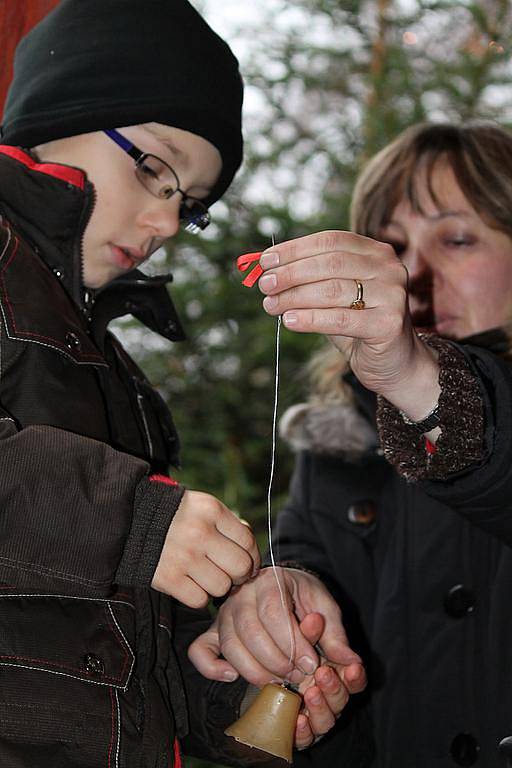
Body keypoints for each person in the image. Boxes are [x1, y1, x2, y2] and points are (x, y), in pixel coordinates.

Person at [0, 1, 360, 765]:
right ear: (58, 111)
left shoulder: (117, 379)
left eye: (189, 204)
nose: (166, 222)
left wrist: (233, 687)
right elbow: (111, 528)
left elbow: (99, 648)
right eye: (154, 167)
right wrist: (134, 521)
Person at [190, 121, 512, 767]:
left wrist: (418, 382)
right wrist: (276, 610)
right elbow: (314, 580)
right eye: (391, 246)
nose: (414, 272)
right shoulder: (338, 447)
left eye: (457, 238)